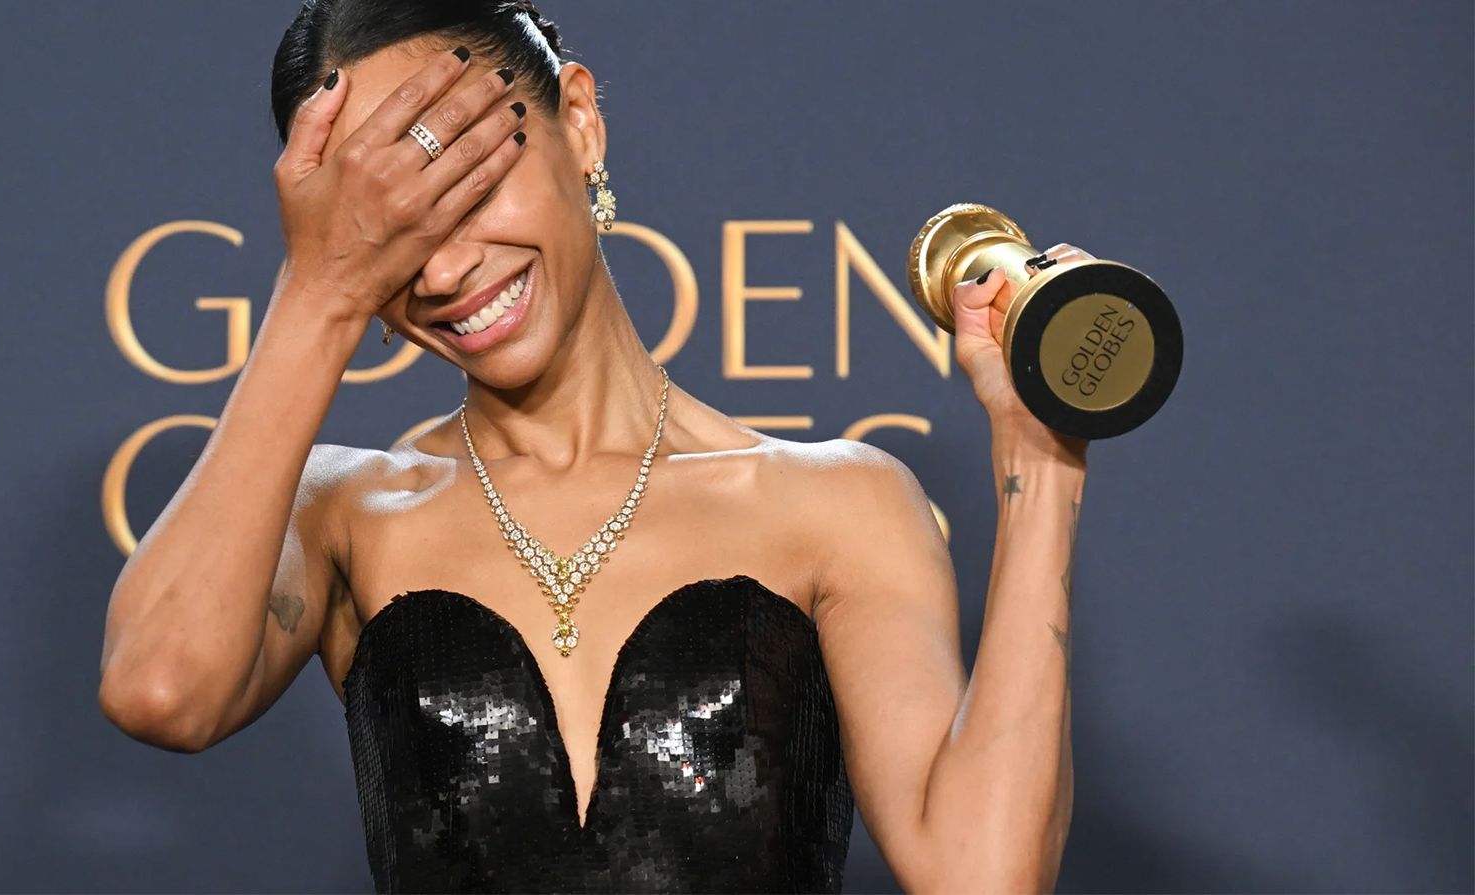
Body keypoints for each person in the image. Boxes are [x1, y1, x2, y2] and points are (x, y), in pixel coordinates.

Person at [99, 2, 1088, 891]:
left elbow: (983, 875)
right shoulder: (345, 513)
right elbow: (161, 690)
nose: (442, 269)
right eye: (388, 230)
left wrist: (1040, 455)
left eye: (464, 187)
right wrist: (320, 292)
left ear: (578, 121)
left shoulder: (838, 502)